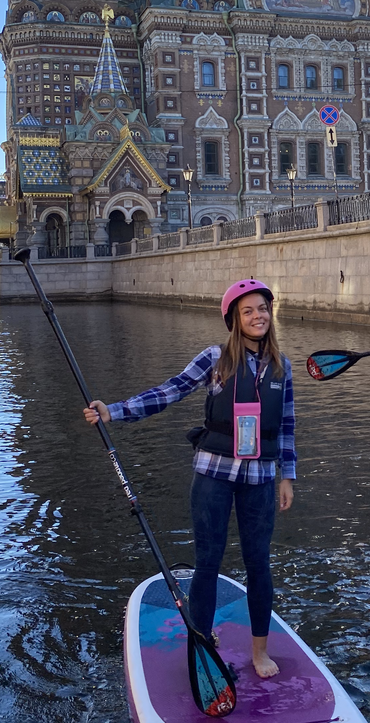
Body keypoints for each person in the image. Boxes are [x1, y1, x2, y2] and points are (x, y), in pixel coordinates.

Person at [84, 280, 295, 678]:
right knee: (208, 562)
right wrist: (114, 410)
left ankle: (259, 651)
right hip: (214, 472)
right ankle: (203, 646)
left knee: (259, 563)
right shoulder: (215, 358)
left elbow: (286, 426)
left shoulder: (281, 367)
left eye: (263, 308)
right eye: (247, 311)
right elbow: (172, 390)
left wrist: (288, 477)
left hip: (262, 477)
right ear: (234, 318)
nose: (257, 316)